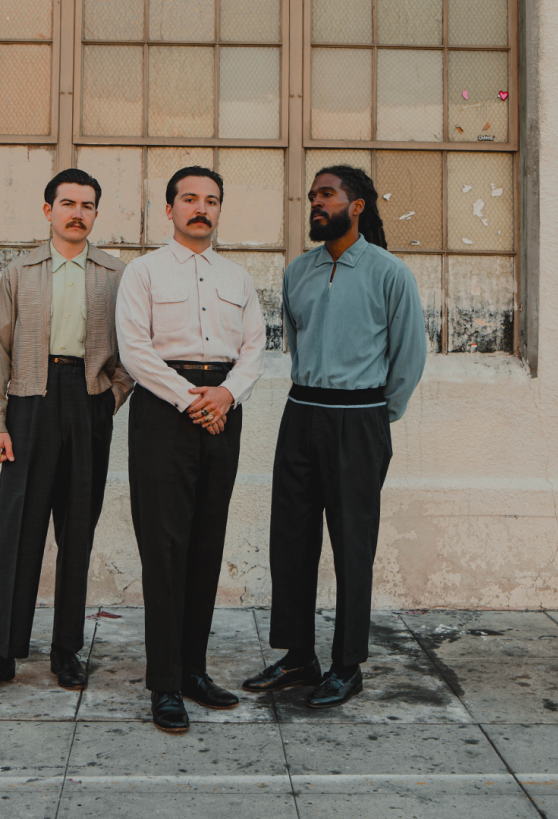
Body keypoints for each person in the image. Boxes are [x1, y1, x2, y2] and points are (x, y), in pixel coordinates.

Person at [242, 165, 426, 708]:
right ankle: (299, 657)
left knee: (352, 546)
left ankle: (348, 665)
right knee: (291, 541)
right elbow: (298, 345)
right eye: (313, 196)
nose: (316, 203)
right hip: (301, 413)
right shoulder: (298, 271)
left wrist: (374, 414)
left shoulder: (391, 273)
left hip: (359, 420)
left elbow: (408, 357)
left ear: (358, 205)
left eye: (327, 195)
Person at [0, 168, 133, 699]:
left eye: (87, 205)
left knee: (77, 533)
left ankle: (66, 652)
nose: (77, 213)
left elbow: (133, 350)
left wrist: (111, 398)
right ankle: (2, 655)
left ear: (95, 214)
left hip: (88, 402)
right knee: (20, 532)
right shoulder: (19, 272)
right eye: (67, 203)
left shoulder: (116, 274)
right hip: (29, 404)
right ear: (48, 211)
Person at [115, 166, 267, 733]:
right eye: (190, 199)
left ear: (219, 209)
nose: (201, 208)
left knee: (206, 542)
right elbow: (134, 349)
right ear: (170, 208)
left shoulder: (239, 278)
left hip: (222, 412)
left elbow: (255, 347)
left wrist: (226, 395)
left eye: (211, 200)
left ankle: (196, 671)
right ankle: (165, 684)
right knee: (165, 547)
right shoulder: (144, 272)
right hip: (164, 411)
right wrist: (190, 401)